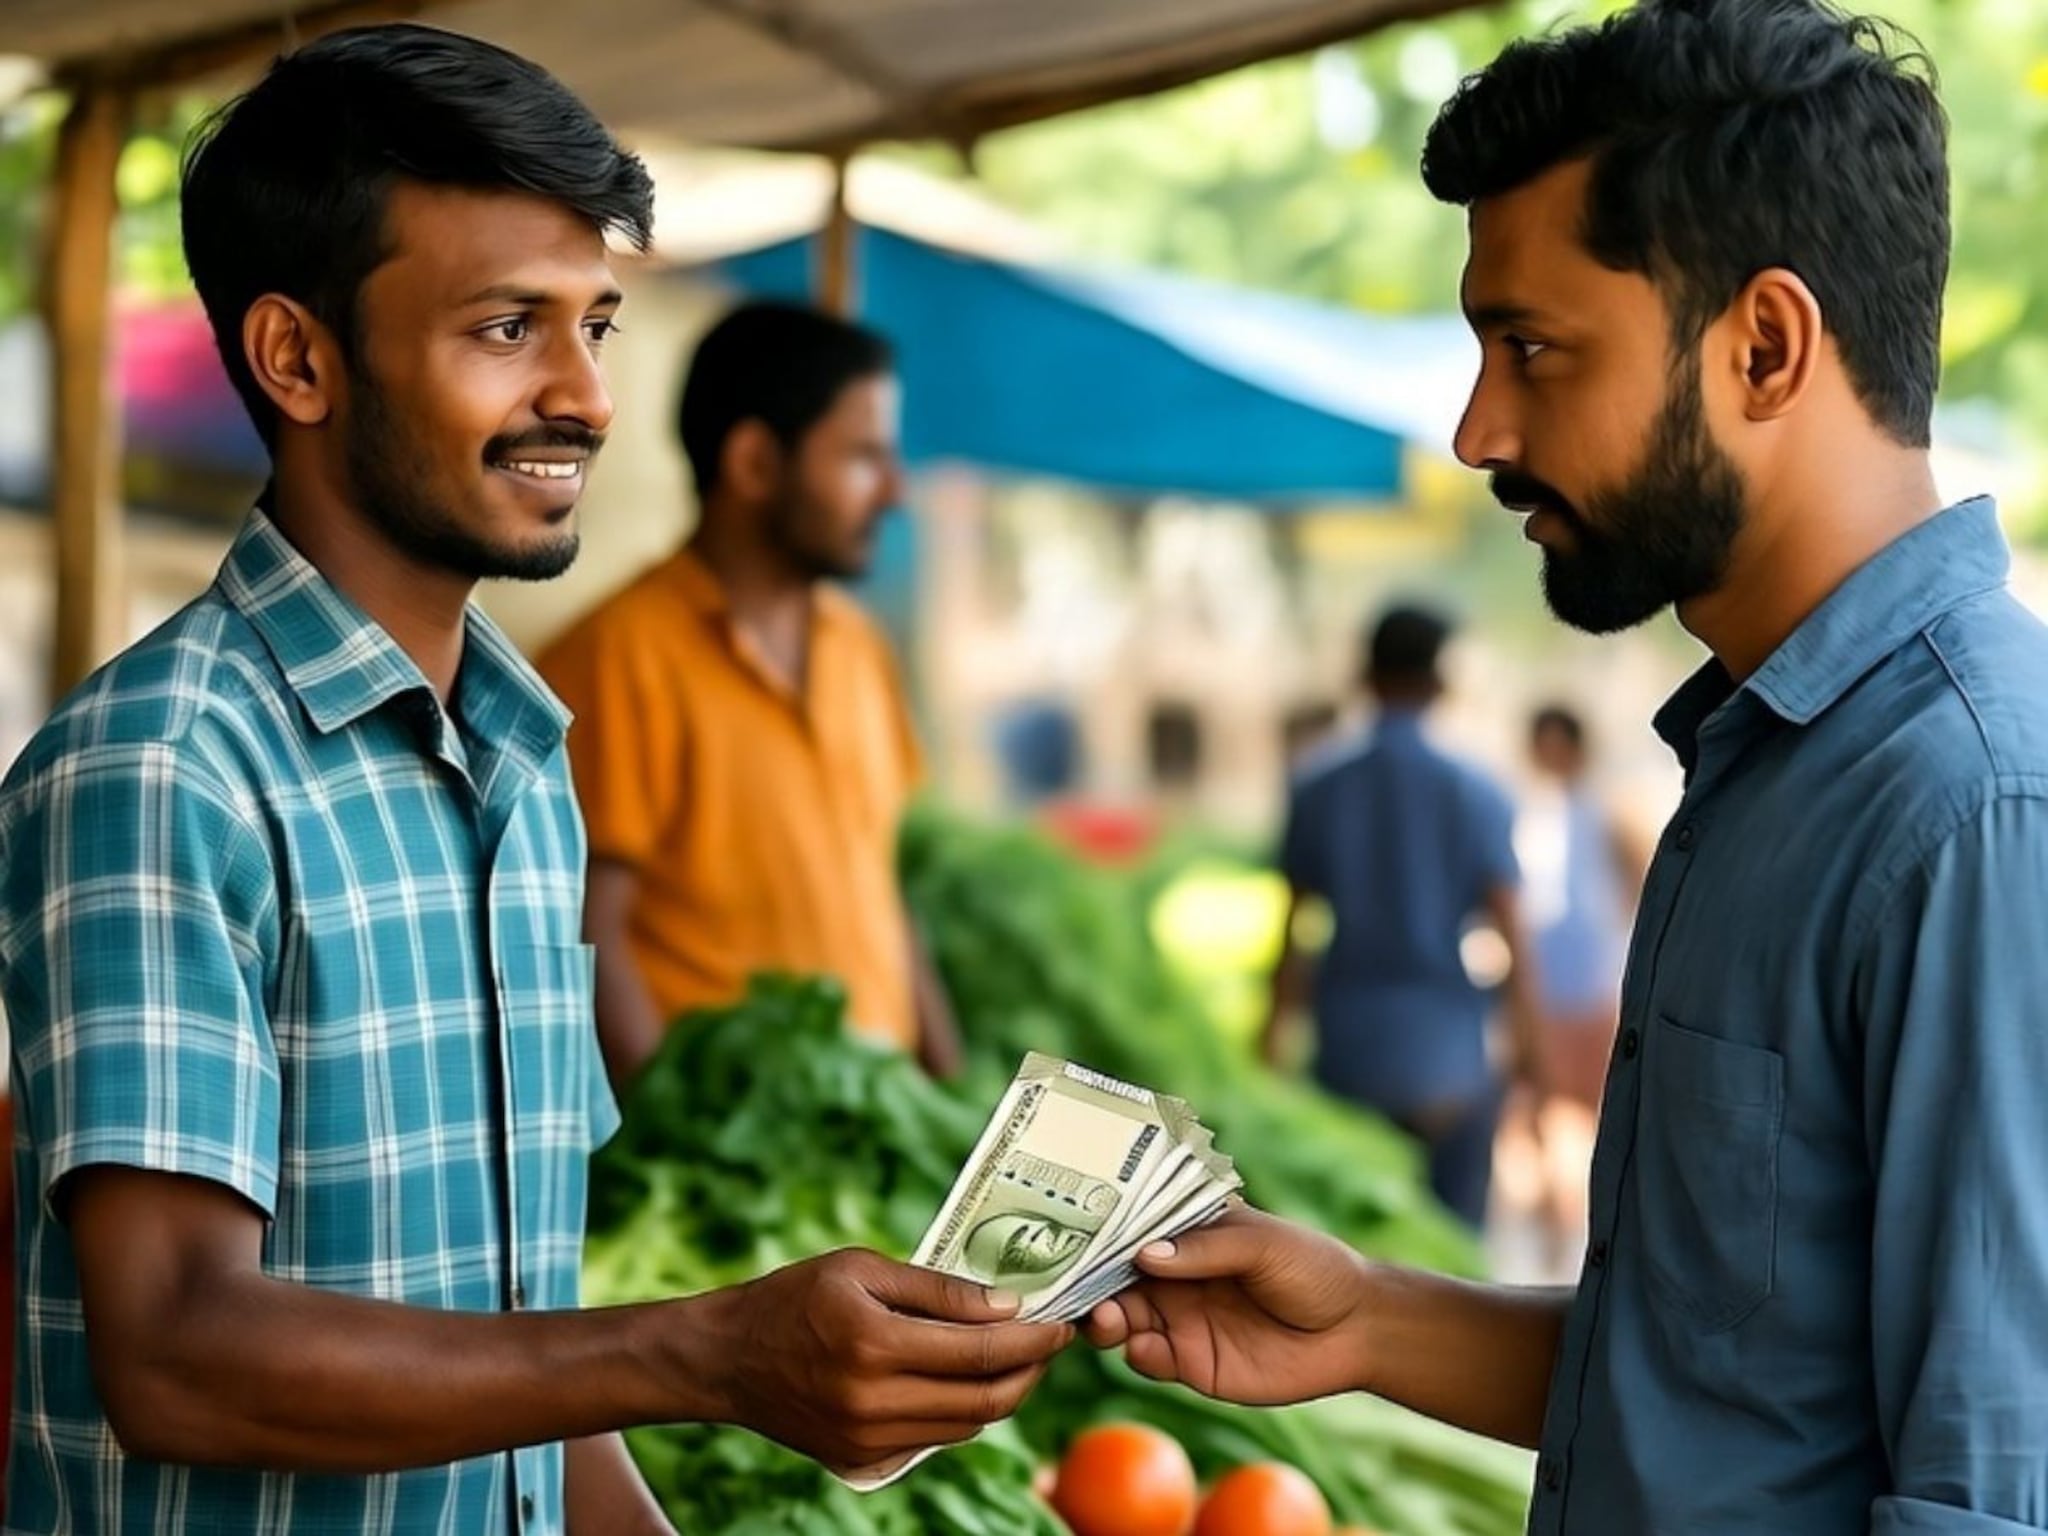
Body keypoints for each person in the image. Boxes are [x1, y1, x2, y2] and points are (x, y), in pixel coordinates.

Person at [0, 30, 1067, 1535]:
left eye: (597, 326)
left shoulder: (523, 759)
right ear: (298, 358)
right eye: (508, 329)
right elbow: (177, 1352)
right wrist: (702, 1349)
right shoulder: (165, 766)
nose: (586, 398)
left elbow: (519, 1351)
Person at [1091, 2, 2048, 1530]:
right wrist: (1366, 1319)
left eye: (1532, 349)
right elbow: (1733, 1391)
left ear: (1768, 346)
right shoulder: (1768, 752)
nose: (1478, 431)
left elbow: (1990, 1496)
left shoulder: (1973, 805)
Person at [539, 302, 963, 1087]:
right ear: (756, 464)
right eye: (863, 458)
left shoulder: (859, 647)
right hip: (733, 1171)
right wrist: (685, 1148)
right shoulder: (620, 655)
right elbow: (587, 936)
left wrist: (949, 1086)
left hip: (869, 1145)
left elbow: (882, 891)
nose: (894, 492)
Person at [1261, 605, 1547, 1228]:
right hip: (1448, 1057)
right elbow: (1513, 936)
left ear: (1364, 674)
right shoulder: (1477, 790)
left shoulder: (1318, 787)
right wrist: (1534, 1057)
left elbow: (1292, 939)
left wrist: (1267, 1050)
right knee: (1455, 1262)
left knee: (1352, 1259)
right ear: (1441, 682)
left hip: (1350, 1054)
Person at [1518, 705, 1641, 1110]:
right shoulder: (1526, 809)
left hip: (1598, 973)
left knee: (1598, 1093)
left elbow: (1637, 876)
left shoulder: (1606, 807)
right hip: (1545, 973)